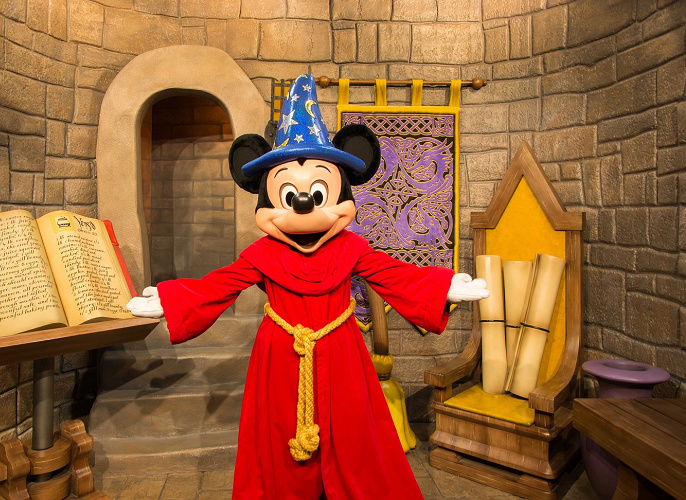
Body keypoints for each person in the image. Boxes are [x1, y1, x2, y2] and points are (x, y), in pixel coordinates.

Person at [128, 74, 488, 499]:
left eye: (318, 193)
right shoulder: (261, 254)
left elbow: (393, 274)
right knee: (280, 441)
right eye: (289, 195)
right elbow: (219, 285)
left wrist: (441, 287)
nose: (303, 204)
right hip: (280, 358)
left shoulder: (350, 248)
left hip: (341, 354)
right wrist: (172, 300)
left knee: (353, 437)